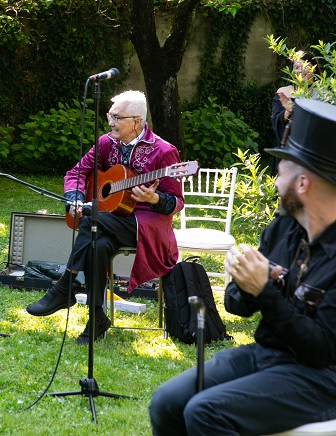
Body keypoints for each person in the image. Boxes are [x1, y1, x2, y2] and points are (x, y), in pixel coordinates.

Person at [149, 98, 336, 436]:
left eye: (281, 170)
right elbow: (236, 304)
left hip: (321, 377)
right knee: (166, 402)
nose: (275, 181)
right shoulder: (283, 228)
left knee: (205, 413)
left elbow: (319, 350)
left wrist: (265, 290)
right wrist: (248, 281)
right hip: (266, 353)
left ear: (303, 183)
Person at [25, 90, 184, 344]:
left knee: (91, 218)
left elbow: (177, 202)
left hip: (144, 226)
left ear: (137, 121)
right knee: (96, 245)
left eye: (117, 118)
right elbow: (77, 172)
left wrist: (154, 199)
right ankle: (96, 317)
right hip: (108, 220)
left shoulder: (164, 151)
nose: (110, 122)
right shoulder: (106, 143)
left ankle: (65, 285)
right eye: (110, 116)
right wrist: (76, 198)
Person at [270, 50, 321, 175]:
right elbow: (275, 121)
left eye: (305, 66)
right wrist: (287, 112)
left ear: (314, 68)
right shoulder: (284, 92)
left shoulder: (323, 94)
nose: (300, 71)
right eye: (297, 67)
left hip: (313, 155)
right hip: (288, 153)